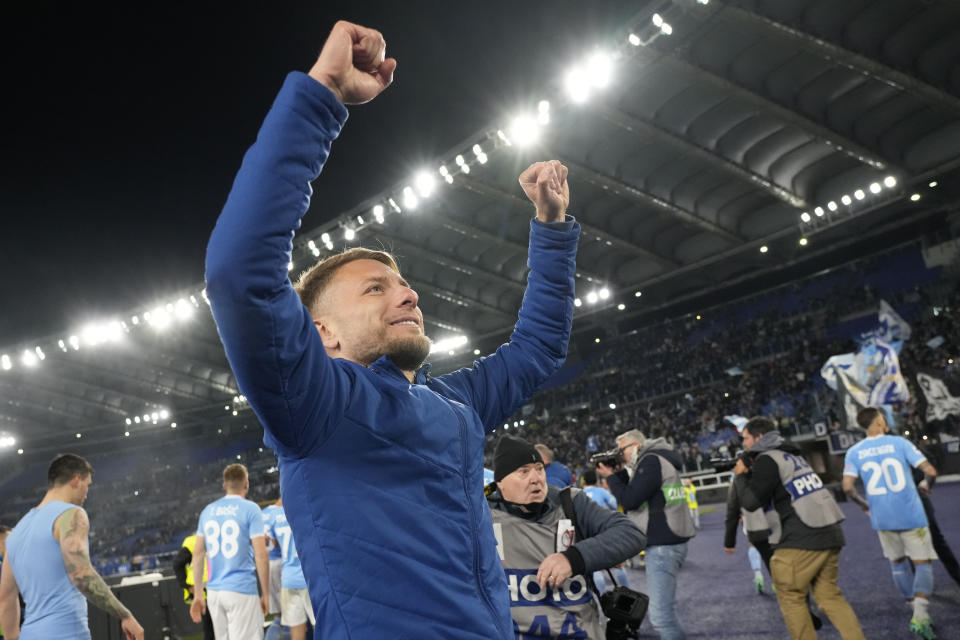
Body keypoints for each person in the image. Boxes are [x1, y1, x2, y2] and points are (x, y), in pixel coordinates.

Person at [204, 19, 579, 640]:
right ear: (320, 332)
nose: (406, 293)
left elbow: (539, 347)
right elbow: (239, 273)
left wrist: (553, 228)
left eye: (404, 284)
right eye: (374, 287)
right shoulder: (315, 405)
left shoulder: (453, 401)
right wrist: (322, 94)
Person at [486, 435, 646, 638]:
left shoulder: (570, 502)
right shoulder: (482, 515)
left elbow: (631, 533)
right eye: (523, 471)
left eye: (539, 468)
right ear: (501, 482)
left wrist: (574, 558)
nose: (536, 478)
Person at [735, 417, 865, 640]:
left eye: (746, 438)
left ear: (759, 438)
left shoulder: (768, 459)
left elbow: (750, 503)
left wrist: (740, 477)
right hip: (831, 532)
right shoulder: (793, 455)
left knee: (790, 594)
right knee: (829, 597)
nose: (744, 444)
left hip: (804, 535)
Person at [0, 454, 144, 640]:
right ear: (76, 480)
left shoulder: (17, 532)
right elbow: (81, 574)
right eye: (87, 485)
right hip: (66, 633)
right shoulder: (71, 514)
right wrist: (125, 615)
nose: (86, 493)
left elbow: (6, 598)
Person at [842, 407, 939, 639]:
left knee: (897, 565)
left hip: (882, 518)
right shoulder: (899, 443)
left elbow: (847, 487)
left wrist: (864, 504)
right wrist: (927, 485)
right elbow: (930, 471)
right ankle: (921, 613)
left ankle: (914, 609)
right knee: (922, 563)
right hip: (911, 514)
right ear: (879, 422)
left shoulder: (854, 452)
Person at [598, 429, 695, 640]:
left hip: (663, 544)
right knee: (665, 613)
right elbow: (639, 493)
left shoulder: (650, 460)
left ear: (635, 446)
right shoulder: (659, 458)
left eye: (621, 450)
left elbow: (631, 500)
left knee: (661, 617)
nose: (620, 454)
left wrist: (611, 477)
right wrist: (621, 473)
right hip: (668, 541)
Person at [189, 464, 270, 640]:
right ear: (246, 484)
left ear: (224, 486)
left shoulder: (207, 511)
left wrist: (197, 594)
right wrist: (266, 593)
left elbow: (197, 555)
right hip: (241, 589)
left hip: (214, 594)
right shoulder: (251, 509)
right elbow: (261, 555)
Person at [265, 500, 315, 640]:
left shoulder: (275, 516)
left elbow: (274, 544)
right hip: (309, 578)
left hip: (288, 579)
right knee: (324, 627)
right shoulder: (305, 509)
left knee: (296, 633)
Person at [580, 470, 631, 593]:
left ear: (583, 482)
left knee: (596, 569)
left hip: (588, 535)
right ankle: (627, 593)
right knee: (618, 564)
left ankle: (602, 599)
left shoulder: (579, 495)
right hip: (605, 531)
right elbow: (615, 505)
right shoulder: (602, 492)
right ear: (596, 481)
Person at [172, 533, 214, 640]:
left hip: (218, 590)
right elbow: (177, 564)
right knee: (211, 629)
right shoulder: (194, 541)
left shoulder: (216, 537)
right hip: (205, 594)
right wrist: (188, 586)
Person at [260, 499, 285, 640]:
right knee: (296, 616)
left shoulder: (263, 514)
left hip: (267, 566)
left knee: (279, 617)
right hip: (284, 565)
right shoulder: (283, 513)